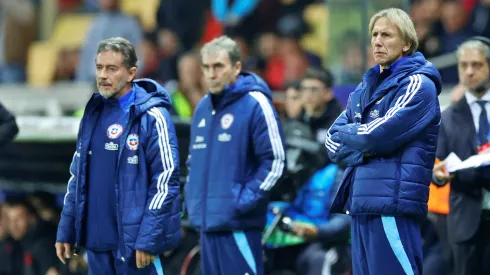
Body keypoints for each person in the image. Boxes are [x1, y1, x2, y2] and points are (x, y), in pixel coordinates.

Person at [325, 8, 442, 275]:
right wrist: (365, 149)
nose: (377, 41)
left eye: (387, 35)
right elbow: (331, 142)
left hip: (392, 207)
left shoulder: (418, 84)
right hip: (360, 206)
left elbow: (376, 135)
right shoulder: (365, 88)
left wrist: (362, 140)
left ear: (406, 44)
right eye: (374, 34)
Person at [55, 37, 181, 275]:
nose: (103, 75)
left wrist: (148, 239)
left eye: (112, 69)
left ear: (131, 73)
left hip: (135, 248)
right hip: (97, 245)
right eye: (99, 67)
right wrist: (67, 229)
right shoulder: (92, 114)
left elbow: (166, 179)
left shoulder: (152, 116)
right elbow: (78, 178)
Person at [184, 35, 286, 275]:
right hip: (206, 225)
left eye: (218, 66)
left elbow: (275, 161)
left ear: (237, 67)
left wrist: (241, 202)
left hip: (239, 226)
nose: (211, 73)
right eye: (206, 67)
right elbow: (194, 161)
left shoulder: (256, 103)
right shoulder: (202, 108)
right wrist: (192, 199)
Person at [432, 37, 490, 275]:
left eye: (476, 65)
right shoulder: (447, 118)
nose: (469, 72)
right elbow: (436, 168)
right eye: (463, 65)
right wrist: (438, 175)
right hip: (465, 219)